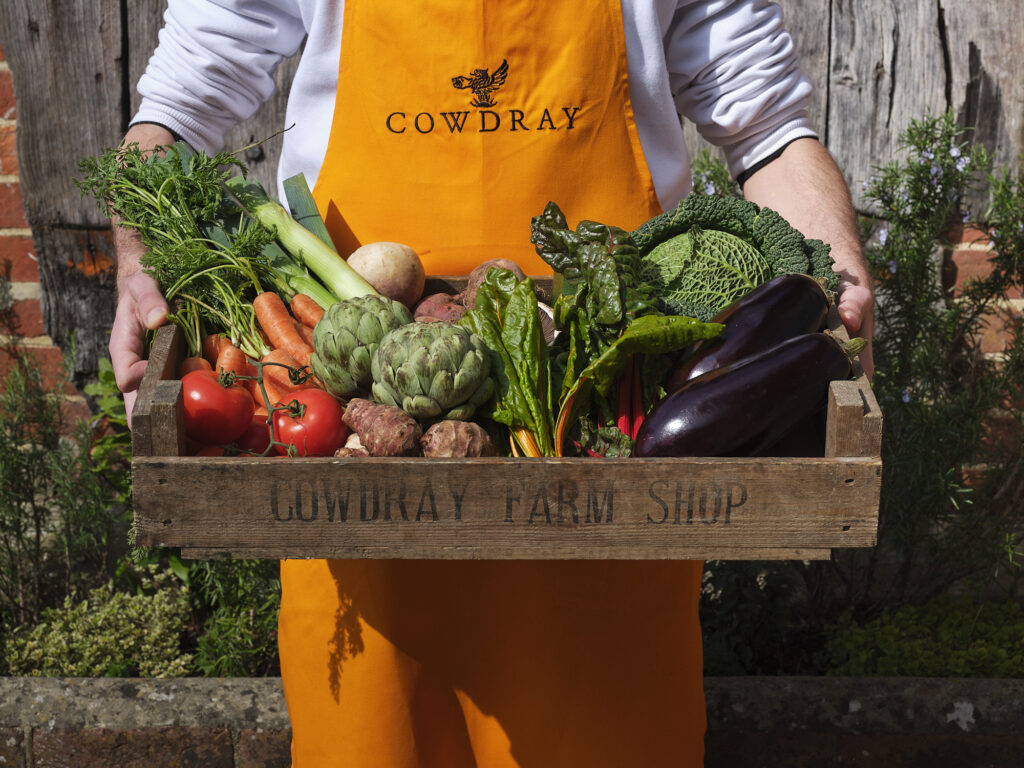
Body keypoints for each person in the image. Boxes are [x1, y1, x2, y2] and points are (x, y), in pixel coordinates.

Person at [111, 1, 874, 764]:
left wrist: (836, 274)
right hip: (360, 448)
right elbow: (178, 109)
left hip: (607, 452)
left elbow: (768, 129)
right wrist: (136, 254)